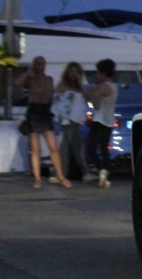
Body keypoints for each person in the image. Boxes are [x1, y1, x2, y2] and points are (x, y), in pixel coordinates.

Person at [14, 56, 69, 189]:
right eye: (38, 64)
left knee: (53, 147)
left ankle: (60, 175)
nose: (40, 66)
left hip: (45, 111)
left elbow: (51, 94)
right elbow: (17, 83)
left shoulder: (49, 79)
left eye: (42, 64)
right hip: (34, 111)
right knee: (35, 148)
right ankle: (37, 178)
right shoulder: (31, 79)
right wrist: (29, 72)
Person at [54, 61, 91, 184]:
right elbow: (55, 95)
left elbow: (88, 98)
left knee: (75, 146)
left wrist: (80, 84)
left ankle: (79, 172)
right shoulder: (63, 84)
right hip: (67, 119)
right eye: (71, 71)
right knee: (69, 146)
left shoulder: (80, 87)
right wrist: (63, 95)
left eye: (76, 72)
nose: (73, 74)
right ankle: (67, 173)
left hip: (77, 119)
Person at [87, 59, 117, 188]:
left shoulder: (103, 87)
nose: (96, 75)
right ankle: (105, 173)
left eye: (98, 73)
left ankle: (102, 172)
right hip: (109, 119)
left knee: (92, 148)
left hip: (100, 119)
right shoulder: (114, 86)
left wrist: (95, 93)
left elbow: (96, 105)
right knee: (104, 147)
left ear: (103, 73)